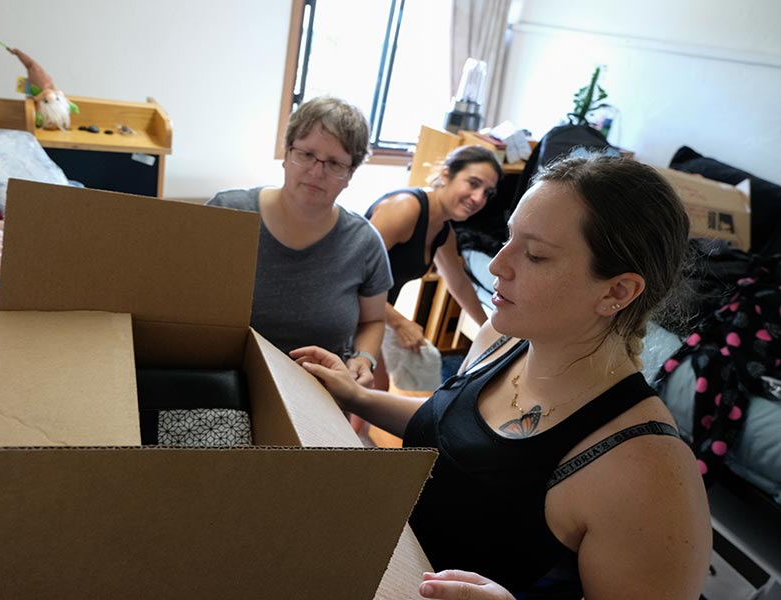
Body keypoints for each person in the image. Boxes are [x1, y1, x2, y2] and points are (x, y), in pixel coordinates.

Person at [291, 154, 712, 599]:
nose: (497, 265)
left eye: (534, 255)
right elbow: (454, 429)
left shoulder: (647, 471)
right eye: (509, 239)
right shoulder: (502, 337)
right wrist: (358, 396)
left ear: (616, 292)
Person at [207, 96, 391, 387]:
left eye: (334, 163)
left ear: (350, 174)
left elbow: (373, 321)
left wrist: (363, 357)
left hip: (316, 392)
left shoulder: (364, 243)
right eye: (306, 154)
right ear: (286, 154)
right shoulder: (228, 213)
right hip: (222, 383)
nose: (316, 172)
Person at [365, 145, 502, 391]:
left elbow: (458, 282)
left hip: (372, 314)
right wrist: (399, 322)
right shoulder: (405, 209)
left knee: (374, 390)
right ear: (447, 174)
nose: (479, 198)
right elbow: (352, 274)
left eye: (487, 193)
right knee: (367, 387)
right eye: (473, 183)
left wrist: (488, 332)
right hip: (345, 307)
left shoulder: (442, 231)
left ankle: (358, 431)